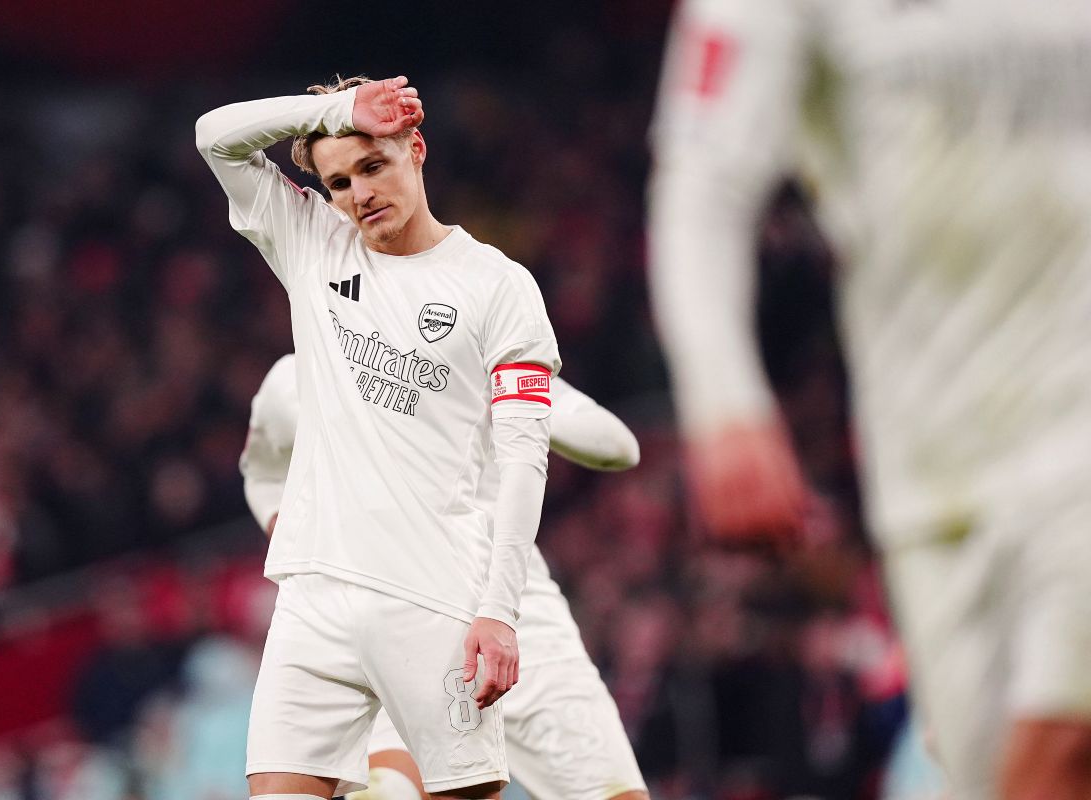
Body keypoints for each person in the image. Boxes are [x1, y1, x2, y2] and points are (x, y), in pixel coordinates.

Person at [648, 2, 1091, 799]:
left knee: (1060, 753)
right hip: (935, 474)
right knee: (993, 776)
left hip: (1077, 419)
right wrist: (723, 400)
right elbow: (705, 182)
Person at [196, 75, 561, 800]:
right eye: (337, 183)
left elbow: (525, 462)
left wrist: (499, 611)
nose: (358, 194)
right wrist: (333, 113)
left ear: (415, 150)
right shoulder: (313, 245)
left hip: (433, 601)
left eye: (372, 166)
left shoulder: (497, 285)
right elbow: (214, 134)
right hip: (314, 595)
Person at [241, 354, 649, 800]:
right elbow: (262, 471)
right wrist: (285, 523)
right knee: (391, 790)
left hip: (520, 618)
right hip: (394, 616)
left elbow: (619, 447)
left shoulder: (477, 354)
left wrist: (511, 398)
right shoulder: (297, 376)